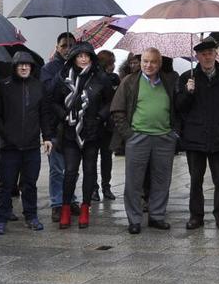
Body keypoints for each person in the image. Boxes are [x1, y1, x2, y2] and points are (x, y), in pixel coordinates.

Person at [110, 47, 178, 235]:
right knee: (134, 181)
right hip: (138, 137)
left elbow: (179, 106)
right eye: (145, 61)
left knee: (162, 179)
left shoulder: (169, 81)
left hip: (164, 137)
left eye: (153, 62)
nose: (149, 65)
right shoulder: (130, 82)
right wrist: (128, 134)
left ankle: (157, 215)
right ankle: (134, 219)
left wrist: (174, 133)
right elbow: (117, 109)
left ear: (160, 64)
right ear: (140, 62)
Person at [175, 38, 219, 230]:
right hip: (195, 136)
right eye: (203, 54)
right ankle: (196, 216)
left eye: (210, 53)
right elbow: (179, 107)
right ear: (196, 56)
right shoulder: (187, 77)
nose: (207, 57)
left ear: (216, 54)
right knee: (196, 179)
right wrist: (188, 92)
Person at [50, 41, 113, 229]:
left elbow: (110, 102)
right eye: (79, 56)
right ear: (74, 58)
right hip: (70, 132)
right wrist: (64, 115)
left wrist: (99, 117)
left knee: (90, 171)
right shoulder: (63, 76)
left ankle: (85, 208)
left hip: (92, 133)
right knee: (69, 172)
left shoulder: (100, 77)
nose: (83, 59)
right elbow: (52, 101)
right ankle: (66, 208)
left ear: (91, 58)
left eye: (86, 56)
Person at [0, 50, 53, 234]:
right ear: (14, 67)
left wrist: (46, 137)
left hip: (32, 145)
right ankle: (2, 218)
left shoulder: (38, 86)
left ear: (32, 67)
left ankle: (31, 216)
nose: (24, 67)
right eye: (20, 64)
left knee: (30, 184)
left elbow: (44, 114)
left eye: (27, 64)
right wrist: (5, 134)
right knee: (6, 184)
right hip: (9, 146)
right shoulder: (3, 86)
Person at [40, 31, 76, 222]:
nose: (68, 49)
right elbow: (47, 92)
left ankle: (72, 199)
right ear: (57, 47)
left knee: (72, 167)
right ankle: (56, 202)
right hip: (55, 126)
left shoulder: (79, 65)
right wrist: (62, 72)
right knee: (56, 168)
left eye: (71, 45)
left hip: (74, 124)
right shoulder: (48, 69)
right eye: (64, 45)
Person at [93, 49, 119, 201]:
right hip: (97, 121)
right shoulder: (95, 77)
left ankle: (105, 186)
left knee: (106, 157)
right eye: (111, 63)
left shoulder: (114, 78)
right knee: (93, 158)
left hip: (108, 123)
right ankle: (95, 188)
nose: (113, 66)